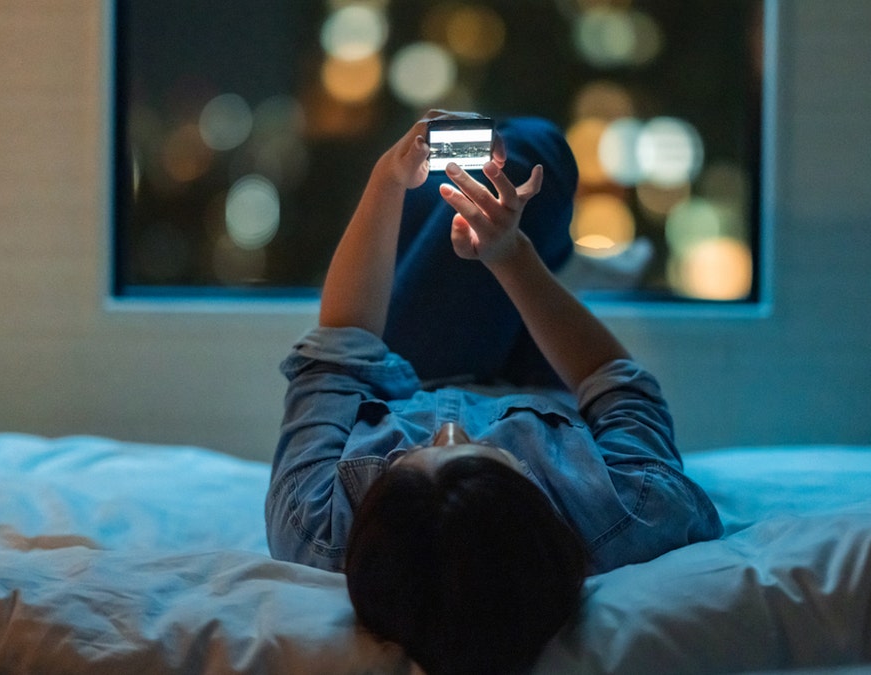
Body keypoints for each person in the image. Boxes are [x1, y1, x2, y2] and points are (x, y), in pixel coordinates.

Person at [265, 111, 722, 675]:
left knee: (507, 167)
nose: (450, 429)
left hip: (417, 368)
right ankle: (555, 263)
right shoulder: (634, 514)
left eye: (414, 454)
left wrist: (385, 179)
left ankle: (555, 258)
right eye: (479, 450)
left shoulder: (317, 528)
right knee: (536, 151)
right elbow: (613, 381)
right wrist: (512, 256)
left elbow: (342, 347)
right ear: (534, 508)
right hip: (550, 383)